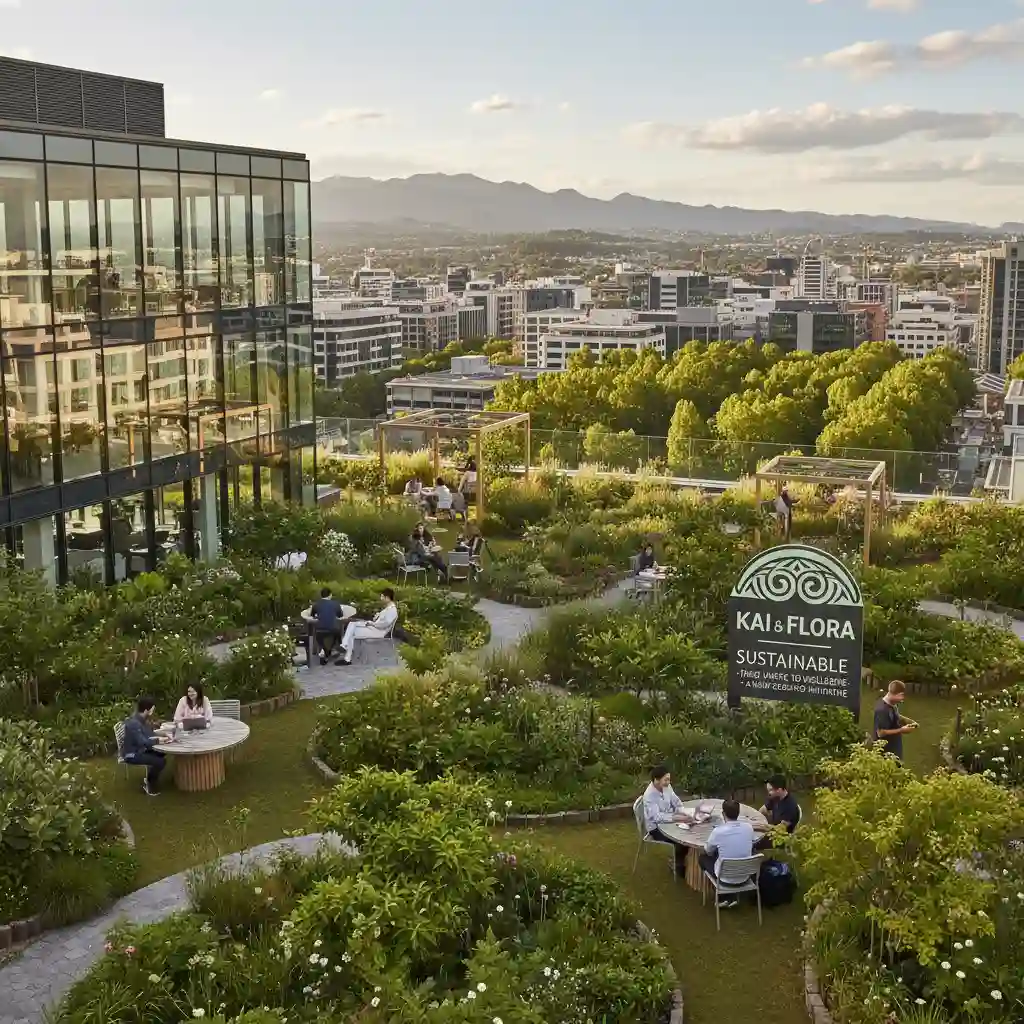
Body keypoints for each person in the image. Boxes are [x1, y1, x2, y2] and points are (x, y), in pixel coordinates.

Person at [699, 799, 756, 906]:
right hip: (745, 875)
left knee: (703, 858)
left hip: (725, 878)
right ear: (738, 813)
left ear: (723, 814)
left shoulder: (718, 831)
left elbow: (708, 850)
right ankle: (731, 897)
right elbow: (751, 842)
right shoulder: (749, 827)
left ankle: (722, 897)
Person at [642, 765, 689, 874]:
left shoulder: (667, 786)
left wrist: (683, 811)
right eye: (666, 779)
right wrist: (676, 818)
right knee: (681, 840)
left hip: (669, 821)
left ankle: (683, 860)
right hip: (656, 828)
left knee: (687, 831)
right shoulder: (649, 796)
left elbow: (675, 800)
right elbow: (657, 817)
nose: (668, 782)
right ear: (656, 780)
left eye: (669, 779)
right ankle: (677, 865)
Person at [337, 588, 400, 665]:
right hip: (374, 628)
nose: (381, 598)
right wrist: (376, 617)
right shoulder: (387, 608)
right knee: (351, 625)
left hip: (378, 632)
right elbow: (381, 620)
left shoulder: (392, 610)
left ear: (387, 598)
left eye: (382, 597)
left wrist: (372, 623)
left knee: (351, 631)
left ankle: (346, 653)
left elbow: (384, 625)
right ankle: (345, 650)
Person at [122, 696, 170, 796]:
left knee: (161, 753)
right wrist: (159, 740)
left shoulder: (142, 720)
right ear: (146, 710)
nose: (153, 711)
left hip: (140, 749)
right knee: (160, 762)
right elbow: (142, 742)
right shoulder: (134, 723)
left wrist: (163, 735)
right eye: (152, 709)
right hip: (132, 754)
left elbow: (149, 734)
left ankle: (150, 778)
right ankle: (150, 785)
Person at [872, 679, 917, 760]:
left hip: (895, 748)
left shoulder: (893, 704)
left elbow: (895, 715)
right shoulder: (881, 710)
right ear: (895, 694)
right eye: (901, 695)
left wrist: (907, 720)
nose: (902, 699)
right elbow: (880, 733)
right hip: (886, 752)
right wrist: (902, 730)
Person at [754, 775, 800, 851]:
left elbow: (780, 829)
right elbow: (762, 810)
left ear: (779, 790)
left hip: (781, 838)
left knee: (752, 842)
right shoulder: (774, 797)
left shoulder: (790, 807)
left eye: (770, 790)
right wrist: (755, 820)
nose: (769, 793)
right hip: (772, 832)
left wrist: (763, 827)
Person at [310, 586, 345, 664]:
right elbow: (340, 615)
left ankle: (324, 651)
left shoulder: (316, 604)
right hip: (333, 630)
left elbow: (312, 615)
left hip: (319, 630)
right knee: (337, 634)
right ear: (330, 595)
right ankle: (331, 650)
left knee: (321, 637)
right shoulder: (335, 604)